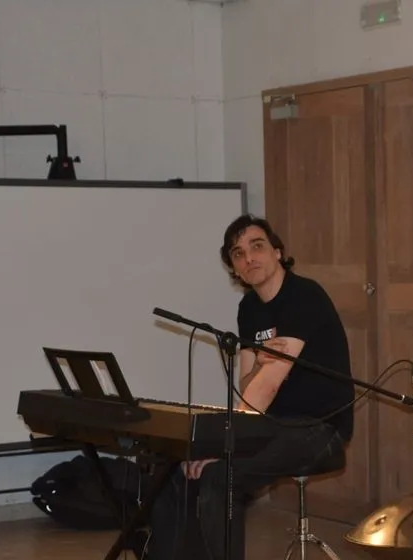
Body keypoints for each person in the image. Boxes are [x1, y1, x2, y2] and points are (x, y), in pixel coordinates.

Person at [144, 214, 355, 560]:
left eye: (257, 246)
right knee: (174, 467)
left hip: (320, 429)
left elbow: (267, 387)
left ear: (277, 251)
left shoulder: (304, 296)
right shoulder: (250, 308)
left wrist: (224, 444)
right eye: (238, 254)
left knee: (220, 476)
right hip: (273, 425)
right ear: (234, 269)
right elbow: (247, 385)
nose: (249, 258)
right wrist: (258, 361)